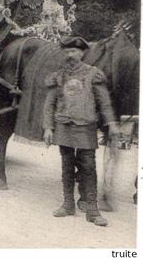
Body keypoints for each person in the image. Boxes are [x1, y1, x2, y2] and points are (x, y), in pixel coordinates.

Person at [43, 36, 120, 227]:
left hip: (86, 127)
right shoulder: (58, 76)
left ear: (82, 53)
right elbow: (49, 104)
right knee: (66, 166)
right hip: (64, 126)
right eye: (68, 52)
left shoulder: (94, 74)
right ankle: (68, 204)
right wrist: (47, 128)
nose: (71, 55)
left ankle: (92, 211)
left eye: (74, 52)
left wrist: (111, 122)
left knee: (89, 167)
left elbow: (104, 102)